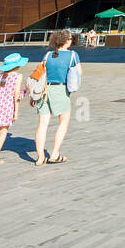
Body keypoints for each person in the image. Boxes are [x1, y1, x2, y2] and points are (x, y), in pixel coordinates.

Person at [34, 30, 80, 165]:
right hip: (61, 90)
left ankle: (40, 157)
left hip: (44, 90)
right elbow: (79, 72)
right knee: (63, 122)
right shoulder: (72, 55)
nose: (71, 41)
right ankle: (54, 154)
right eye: (71, 38)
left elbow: (39, 72)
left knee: (42, 124)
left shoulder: (48, 54)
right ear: (66, 40)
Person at [0, 53, 27, 166]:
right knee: (3, 132)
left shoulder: (0, 75)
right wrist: (25, 93)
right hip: (8, 107)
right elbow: (16, 95)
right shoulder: (18, 76)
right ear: (17, 65)